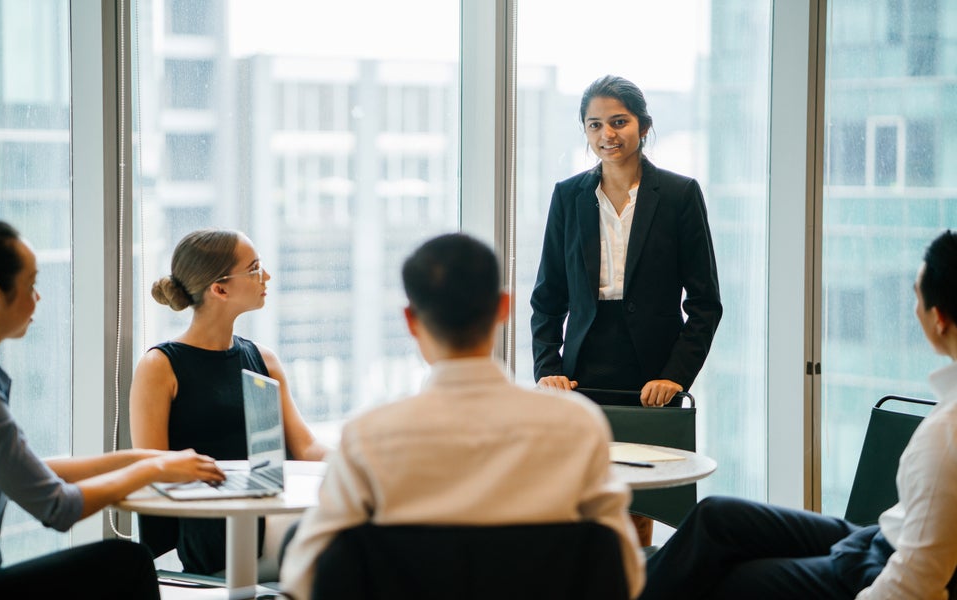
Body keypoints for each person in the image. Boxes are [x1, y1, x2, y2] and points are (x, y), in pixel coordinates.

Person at [279, 232, 645, 599]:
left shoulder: (369, 436)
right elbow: (623, 572)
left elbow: (305, 576)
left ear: (410, 319)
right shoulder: (577, 425)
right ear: (504, 307)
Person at [638, 229, 957, 600]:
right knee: (715, 518)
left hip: (883, 568)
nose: (913, 308)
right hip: (880, 538)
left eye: (916, 298)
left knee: (731, 580)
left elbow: (916, 583)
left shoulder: (945, 437)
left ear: (939, 318)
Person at [0, 216, 224, 599]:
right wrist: (154, 467)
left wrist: (140, 459)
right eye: (31, 285)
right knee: (126, 561)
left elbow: (31, 471)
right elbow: (58, 508)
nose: (38, 298)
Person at [530, 74, 723, 545]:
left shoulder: (679, 195)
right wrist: (547, 368)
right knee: (581, 500)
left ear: (643, 126)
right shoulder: (567, 196)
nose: (607, 135)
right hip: (581, 373)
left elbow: (704, 303)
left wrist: (676, 375)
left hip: (651, 376)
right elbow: (547, 298)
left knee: (642, 503)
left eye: (619, 122)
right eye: (594, 125)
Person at [129, 228, 328, 579]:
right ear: (219, 289)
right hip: (207, 528)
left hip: (266, 513)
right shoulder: (159, 366)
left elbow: (306, 447)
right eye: (254, 269)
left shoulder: (263, 360)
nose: (266, 276)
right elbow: (153, 468)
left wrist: (365, 461)